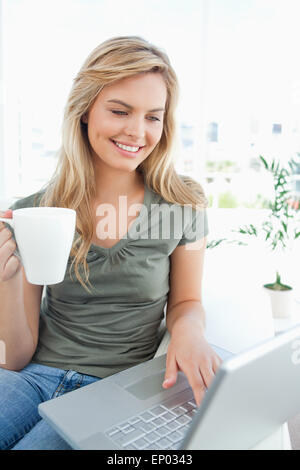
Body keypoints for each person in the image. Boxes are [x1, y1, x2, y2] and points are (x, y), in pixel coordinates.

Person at [0, 36, 221, 450]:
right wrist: (6, 278)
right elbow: (13, 358)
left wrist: (191, 332)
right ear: (85, 111)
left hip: (115, 390)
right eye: (120, 111)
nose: (137, 131)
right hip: (33, 377)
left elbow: (187, 302)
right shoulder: (33, 211)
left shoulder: (183, 205)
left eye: (153, 117)